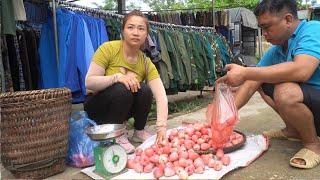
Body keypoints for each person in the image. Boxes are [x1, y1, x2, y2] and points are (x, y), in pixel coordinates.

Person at [219, 0, 320, 169]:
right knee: (260, 81)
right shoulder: (277, 49)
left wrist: (245, 72)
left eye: (267, 27)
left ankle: (312, 144)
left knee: (285, 91)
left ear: (288, 19)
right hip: (314, 105)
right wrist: (224, 118)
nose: (264, 33)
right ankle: (293, 130)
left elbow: (302, 70)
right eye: (261, 28)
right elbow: (252, 82)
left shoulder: (314, 30)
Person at [84, 10, 168, 154]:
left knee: (144, 90)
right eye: (130, 27)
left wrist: (161, 127)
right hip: (98, 108)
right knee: (122, 88)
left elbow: (161, 95)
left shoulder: (146, 62)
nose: (136, 32)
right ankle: (117, 135)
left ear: (146, 34)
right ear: (123, 31)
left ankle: (139, 131)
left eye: (141, 29)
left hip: (122, 109)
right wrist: (117, 77)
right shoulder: (108, 49)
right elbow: (89, 83)